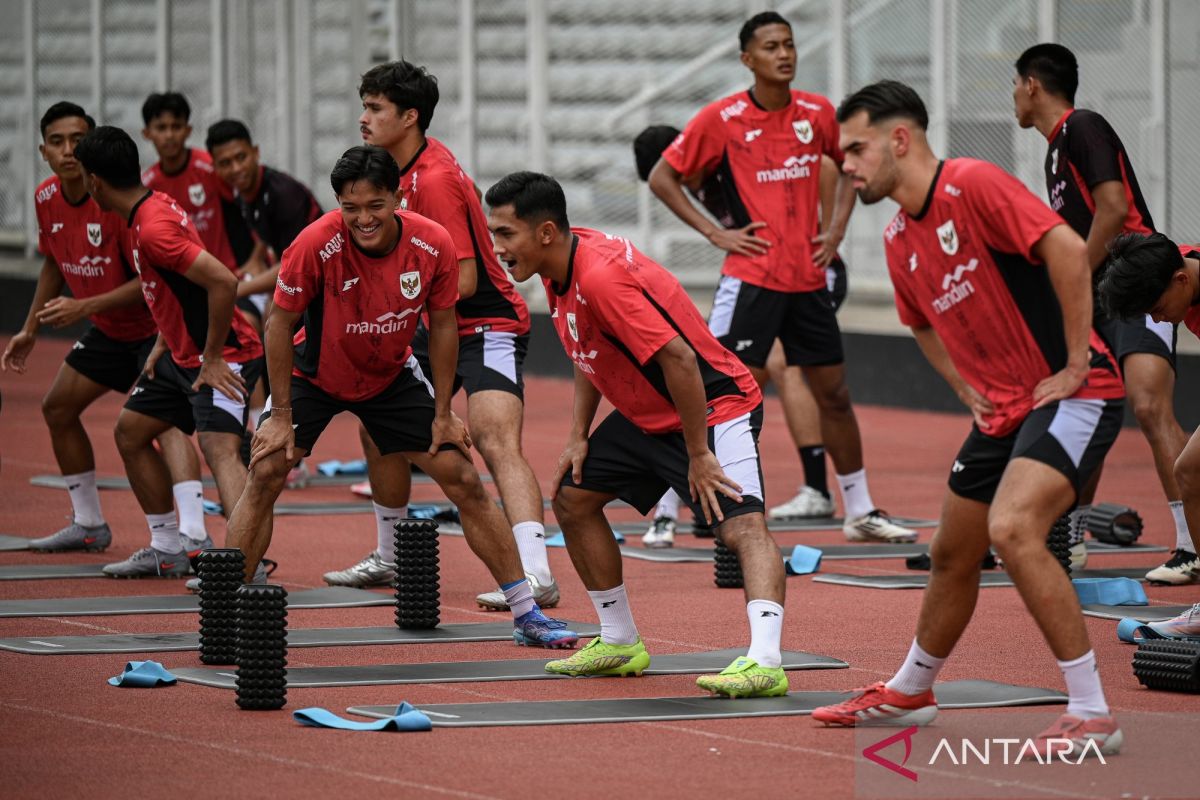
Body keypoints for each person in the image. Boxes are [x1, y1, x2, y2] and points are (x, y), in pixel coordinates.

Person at [811, 81, 1126, 757]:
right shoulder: (899, 237)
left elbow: (1069, 251)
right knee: (953, 553)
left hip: (1075, 392)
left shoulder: (974, 184)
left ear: (901, 139)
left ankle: (1093, 710)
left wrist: (1075, 363)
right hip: (1002, 411)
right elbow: (919, 322)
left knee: (1012, 530)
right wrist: (964, 387)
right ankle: (911, 689)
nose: (848, 166)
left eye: (857, 149)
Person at [222, 146, 576, 648]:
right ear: (338, 204)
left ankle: (527, 613)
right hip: (315, 375)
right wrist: (278, 414)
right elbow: (279, 323)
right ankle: (228, 611)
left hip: (389, 375)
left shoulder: (432, 243)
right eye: (351, 208)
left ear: (397, 198)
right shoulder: (313, 244)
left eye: (375, 205)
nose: (364, 219)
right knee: (266, 471)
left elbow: (446, 325)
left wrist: (442, 414)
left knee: (462, 477)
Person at [486, 170, 790, 696]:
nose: (498, 249)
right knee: (575, 498)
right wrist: (579, 433)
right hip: (651, 412)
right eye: (494, 235)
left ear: (545, 233)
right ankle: (620, 640)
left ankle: (766, 661)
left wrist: (698, 454)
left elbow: (678, 358)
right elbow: (588, 345)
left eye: (506, 235)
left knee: (741, 529)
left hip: (716, 405)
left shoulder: (600, 276)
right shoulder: (559, 266)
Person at [647, 11, 915, 544]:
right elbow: (662, 176)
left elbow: (851, 163)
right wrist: (716, 235)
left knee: (833, 395)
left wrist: (835, 229)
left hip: (809, 282)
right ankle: (675, 506)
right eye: (771, 47)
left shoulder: (817, 111)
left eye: (789, 44)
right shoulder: (721, 118)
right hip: (752, 280)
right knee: (722, 396)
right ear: (748, 60)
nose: (784, 54)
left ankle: (859, 510)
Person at [342, 60, 555, 611]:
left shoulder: (432, 179)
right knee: (376, 427)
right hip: (430, 325)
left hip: (486, 323)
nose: (363, 118)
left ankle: (536, 573)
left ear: (409, 117)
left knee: (493, 439)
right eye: (364, 106)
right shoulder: (397, 173)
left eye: (374, 108)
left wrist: (382, 304)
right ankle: (389, 554)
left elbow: (459, 281)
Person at [1014, 43, 1193, 582]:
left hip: (1137, 282)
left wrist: (1074, 280)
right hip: (1098, 295)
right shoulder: (1052, 151)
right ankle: (1070, 538)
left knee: (1148, 403)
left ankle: (1191, 546)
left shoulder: (1082, 125)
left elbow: (1114, 210)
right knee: (1086, 405)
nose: (1014, 100)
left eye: (1015, 88)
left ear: (1031, 86)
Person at [1, 102, 208, 554]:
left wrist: (84, 305)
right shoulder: (44, 198)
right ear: (43, 151)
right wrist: (30, 328)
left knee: (165, 421)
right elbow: (54, 262)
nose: (69, 150)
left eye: (78, 139)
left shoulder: (117, 202)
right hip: (107, 330)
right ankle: (89, 523)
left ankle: (193, 532)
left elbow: (149, 280)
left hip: (154, 330)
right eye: (57, 141)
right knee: (56, 407)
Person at [634, 125, 847, 547]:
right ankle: (703, 492)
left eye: (681, 177)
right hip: (765, 280)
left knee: (761, 371)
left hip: (808, 274)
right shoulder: (699, 182)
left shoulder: (731, 162)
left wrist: (827, 227)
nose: (687, 188)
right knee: (737, 385)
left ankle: (816, 490)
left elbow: (822, 163)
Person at [74, 125, 265, 578]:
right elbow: (173, 288)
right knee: (131, 432)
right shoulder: (151, 206)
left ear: (94, 181)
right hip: (179, 356)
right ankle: (166, 546)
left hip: (225, 356)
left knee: (220, 450)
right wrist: (165, 338)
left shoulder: (154, 226)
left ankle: (245, 566)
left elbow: (223, 281)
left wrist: (213, 355)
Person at [1097, 232, 1200, 632]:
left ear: (1180, 280)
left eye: (1157, 309)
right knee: (1189, 469)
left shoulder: (1181, 277)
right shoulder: (1181, 264)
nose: (1158, 320)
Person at [206, 119, 324, 436]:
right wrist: (250, 264)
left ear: (255, 152)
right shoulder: (245, 192)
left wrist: (236, 286)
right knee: (238, 318)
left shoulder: (284, 195)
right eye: (225, 163)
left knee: (255, 320)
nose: (235, 168)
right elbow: (267, 240)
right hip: (292, 277)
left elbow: (295, 266)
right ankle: (254, 421)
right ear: (215, 166)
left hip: (321, 286)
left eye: (241, 157)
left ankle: (277, 429)